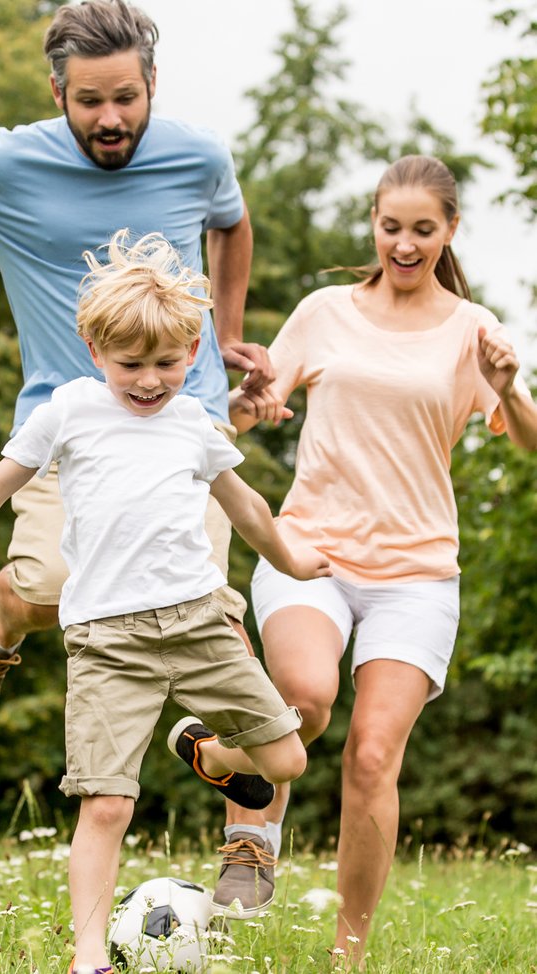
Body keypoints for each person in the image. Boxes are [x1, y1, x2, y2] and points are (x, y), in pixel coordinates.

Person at [0, 0, 275, 913]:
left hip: (189, 429)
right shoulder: (6, 163)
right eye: (91, 101)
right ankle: (3, 627)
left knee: (211, 623)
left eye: (128, 99)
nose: (112, 120)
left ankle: (252, 835)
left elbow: (233, 220)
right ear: (57, 91)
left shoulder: (197, 152)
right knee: (49, 587)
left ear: (151, 87)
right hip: (67, 436)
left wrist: (224, 333)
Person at [0, 229, 332, 974]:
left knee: (285, 759)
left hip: (199, 625)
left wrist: (293, 557)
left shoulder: (194, 424)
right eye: (131, 365)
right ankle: (87, 956)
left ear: (193, 353)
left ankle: (205, 748)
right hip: (106, 640)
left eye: (166, 363)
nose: (150, 380)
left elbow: (248, 507)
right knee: (106, 804)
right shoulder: (69, 412)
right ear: (95, 352)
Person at [229, 155, 537, 969]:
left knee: (372, 754)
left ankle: (349, 955)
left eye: (422, 230)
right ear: (373, 222)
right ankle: (251, 829)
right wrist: (247, 404)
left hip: (418, 574)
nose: (404, 244)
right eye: (390, 226)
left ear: (450, 231)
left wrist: (507, 389)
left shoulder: (474, 332)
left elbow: (532, 441)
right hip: (312, 551)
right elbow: (257, 408)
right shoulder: (326, 311)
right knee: (304, 697)